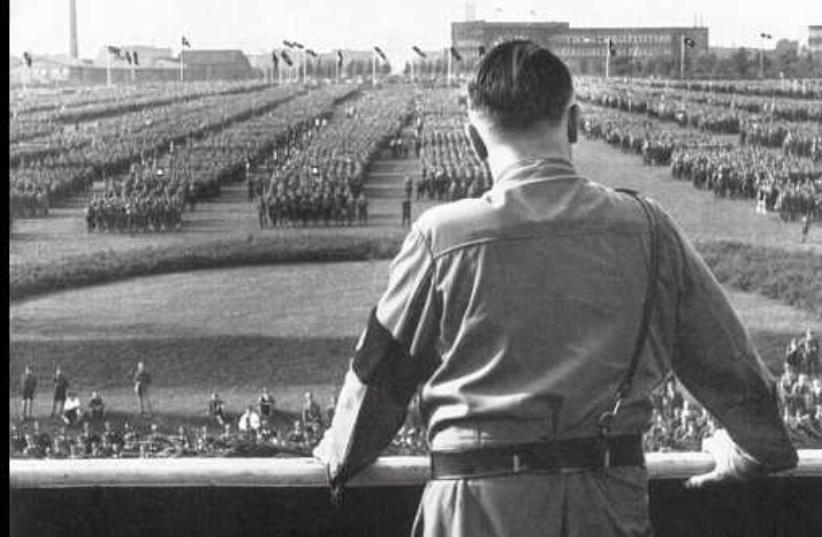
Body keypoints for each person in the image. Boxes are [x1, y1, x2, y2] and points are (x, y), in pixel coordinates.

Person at [313, 41, 797, 537]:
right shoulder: (650, 227)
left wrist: (340, 452)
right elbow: (732, 369)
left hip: (474, 509)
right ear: (575, 123)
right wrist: (755, 449)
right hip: (608, 505)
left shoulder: (440, 236)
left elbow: (379, 375)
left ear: (475, 142)